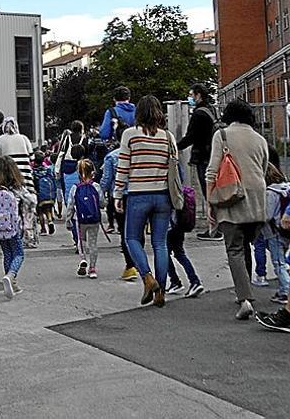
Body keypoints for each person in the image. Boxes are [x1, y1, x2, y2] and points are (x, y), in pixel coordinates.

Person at [205, 99, 269, 320]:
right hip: (258, 200)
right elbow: (263, 169)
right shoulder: (260, 139)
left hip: (232, 197)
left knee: (234, 249)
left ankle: (244, 299)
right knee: (246, 246)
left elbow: (211, 171)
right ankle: (246, 291)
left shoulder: (222, 136)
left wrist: (210, 202)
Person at [114, 95, 175, 308]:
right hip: (163, 196)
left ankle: (148, 279)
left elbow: (123, 167)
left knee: (131, 238)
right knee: (160, 243)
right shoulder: (167, 137)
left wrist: (118, 194)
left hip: (138, 194)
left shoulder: (130, 134)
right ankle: (161, 293)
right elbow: (174, 168)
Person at [0, 156, 36, 299]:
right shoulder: (16, 186)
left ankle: (11, 283)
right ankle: (11, 275)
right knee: (19, 253)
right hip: (13, 226)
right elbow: (31, 200)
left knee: (7, 253)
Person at [177, 83, 224, 242]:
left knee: (208, 193)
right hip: (215, 154)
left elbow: (191, 136)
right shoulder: (212, 110)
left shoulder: (198, 114)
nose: (190, 98)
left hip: (203, 156)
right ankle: (219, 225)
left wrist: (175, 147)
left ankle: (214, 230)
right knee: (216, 192)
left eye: (191, 94)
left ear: (198, 95)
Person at [100, 126, 138, 281]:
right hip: (139, 194)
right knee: (138, 231)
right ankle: (139, 262)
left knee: (125, 232)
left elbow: (107, 180)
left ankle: (130, 266)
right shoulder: (139, 153)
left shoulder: (112, 156)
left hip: (121, 196)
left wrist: (101, 194)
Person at [0, 117, 37, 248]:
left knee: (11, 208)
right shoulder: (24, 139)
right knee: (28, 208)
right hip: (26, 180)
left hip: (7, 181)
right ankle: (29, 237)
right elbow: (32, 159)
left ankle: (13, 235)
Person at [251, 164, 290, 304]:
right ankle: (282, 290)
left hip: (274, 232)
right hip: (286, 230)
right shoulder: (286, 187)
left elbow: (266, 215)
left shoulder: (270, 192)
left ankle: (286, 291)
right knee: (284, 261)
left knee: (278, 263)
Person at [165, 164, 205, 298]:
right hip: (179, 224)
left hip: (169, 225)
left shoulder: (166, 188)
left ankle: (177, 281)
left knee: (164, 253)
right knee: (179, 253)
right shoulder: (176, 169)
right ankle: (192, 281)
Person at [65, 159, 103, 279]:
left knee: (81, 241)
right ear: (92, 172)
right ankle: (92, 268)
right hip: (94, 220)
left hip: (79, 220)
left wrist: (68, 219)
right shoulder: (96, 186)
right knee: (93, 244)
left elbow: (70, 205)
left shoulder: (75, 188)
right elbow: (102, 203)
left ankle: (83, 259)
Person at [32, 152, 56, 236]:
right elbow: (53, 180)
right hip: (48, 194)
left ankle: (43, 229)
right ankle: (50, 221)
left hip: (39, 195)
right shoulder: (47, 169)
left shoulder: (34, 171)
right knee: (48, 210)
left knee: (40, 212)